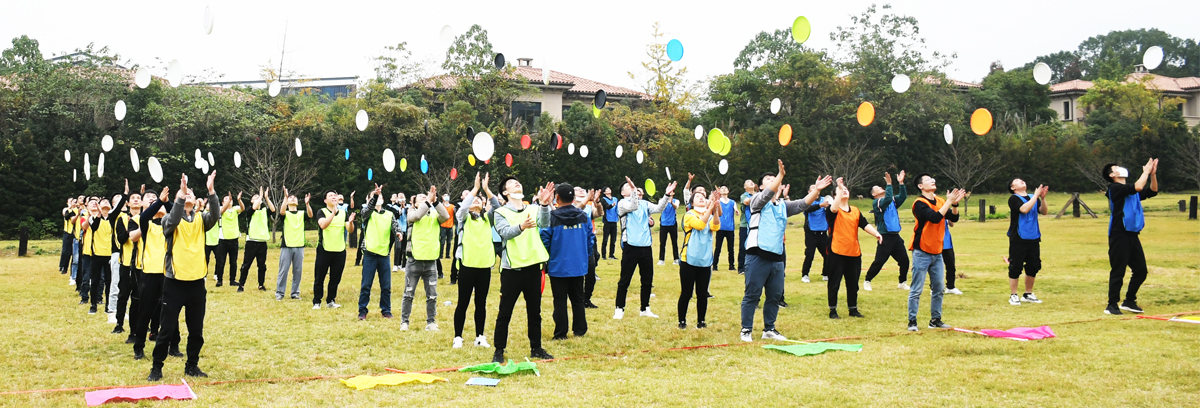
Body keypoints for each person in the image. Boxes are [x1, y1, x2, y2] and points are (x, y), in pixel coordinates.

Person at [741, 161, 830, 342]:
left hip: (777, 257)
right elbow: (767, 194)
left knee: (774, 296)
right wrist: (780, 176)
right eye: (768, 179)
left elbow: (802, 204)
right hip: (757, 255)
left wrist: (816, 191)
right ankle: (746, 330)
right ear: (760, 186)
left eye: (775, 178)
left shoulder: (782, 205)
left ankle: (769, 329)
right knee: (753, 295)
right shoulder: (757, 201)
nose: (773, 180)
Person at [147, 171, 221, 382]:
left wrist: (211, 191)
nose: (188, 195)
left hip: (197, 283)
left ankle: (192, 366)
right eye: (184, 195)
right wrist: (180, 194)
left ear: (196, 201)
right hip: (174, 283)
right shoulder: (169, 221)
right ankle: (157, 367)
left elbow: (215, 215)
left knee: (196, 330)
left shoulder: (201, 219)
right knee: (167, 329)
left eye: (190, 194)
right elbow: (172, 219)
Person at [492, 176, 555, 363]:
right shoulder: (500, 212)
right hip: (513, 270)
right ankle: (499, 350)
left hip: (533, 268)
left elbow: (545, 224)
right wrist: (521, 226)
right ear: (505, 192)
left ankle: (536, 348)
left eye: (518, 181)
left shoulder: (533, 208)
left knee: (534, 312)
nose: (517, 183)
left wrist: (544, 205)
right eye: (512, 183)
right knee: (505, 312)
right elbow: (504, 233)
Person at [906, 173, 965, 331]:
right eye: (927, 180)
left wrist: (954, 205)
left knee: (938, 288)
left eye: (933, 179)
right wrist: (949, 202)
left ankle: (935, 320)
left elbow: (953, 218)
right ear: (920, 186)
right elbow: (934, 217)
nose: (932, 180)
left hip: (937, 250)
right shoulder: (919, 203)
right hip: (922, 250)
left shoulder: (940, 200)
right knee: (917, 288)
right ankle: (912, 321)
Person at [614, 176, 677, 320]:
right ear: (623, 193)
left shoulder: (645, 204)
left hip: (646, 246)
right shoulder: (622, 203)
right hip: (631, 246)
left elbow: (659, 208)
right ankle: (619, 308)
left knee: (647, 280)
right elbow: (633, 206)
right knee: (625, 279)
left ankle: (645, 308)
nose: (634, 190)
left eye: (635, 189)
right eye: (629, 188)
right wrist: (634, 191)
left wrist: (667, 195)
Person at [1103, 159, 1158, 315]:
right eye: (1116, 168)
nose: (1121, 168)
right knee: (1118, 270)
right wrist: (1145, 171)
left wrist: (1152, 175)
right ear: (1112, 175)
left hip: (1132, 235)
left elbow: (1153, 191)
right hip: (1119, 234)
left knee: (1141, 270)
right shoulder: (1114, 188)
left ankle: (1129, 301)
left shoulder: (1130, 190)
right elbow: (1138, 186)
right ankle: (1111, 305)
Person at [541, 183, 595, 341]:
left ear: (557, 197)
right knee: (577, 298)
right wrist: (585, 255)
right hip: (578, 264)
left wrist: (549, 256)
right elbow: (590, 238)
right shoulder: (583, 215)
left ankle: (561, 333)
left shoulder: (553, 216)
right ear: (573, 198)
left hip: (558, 264)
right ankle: (580, 329)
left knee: (560, 300)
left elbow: (545, 238)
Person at [825, 179, 883, 319]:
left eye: (846, 189)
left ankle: (853, 309)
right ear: (835, 195)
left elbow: (864, 224)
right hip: (836, 251)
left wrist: (876, 233)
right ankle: (833, 310)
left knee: (853, 283)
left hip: (853, 251)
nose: (844, 190)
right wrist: (839, 189)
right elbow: (833, 208)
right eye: (841, 190)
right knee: (834, 283)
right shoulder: (832, 209)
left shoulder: (855, 211)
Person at [132, 188, 179, 361]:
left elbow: (176, 210)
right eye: (150, 201)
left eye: (155, 200)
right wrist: (158, 201)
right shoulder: (147, 224)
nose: (154, 203)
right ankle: (139, 347)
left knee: (171, 311)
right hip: (150, 274)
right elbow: (144, 216)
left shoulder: (171, 226)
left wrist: (166, 202)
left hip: (169, 274)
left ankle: (174, 345)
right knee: (145, 312)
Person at [453, 173, 497, 349]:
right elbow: (462, 209)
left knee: (481, 303)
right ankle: (458, 337)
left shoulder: (488, 218)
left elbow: (498, 206)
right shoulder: (463, 219)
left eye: (480, 200)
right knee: (463, 302)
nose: (477, 201)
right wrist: (475, 189)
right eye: (474, 200)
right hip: (467, 265)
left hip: (484, 266)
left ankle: (480, 336)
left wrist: (486, 191)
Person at [402, 185, 450, 331]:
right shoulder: (411, 212)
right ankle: (405, 322)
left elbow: (446, 216)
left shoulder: (435, 215)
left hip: (431, 261)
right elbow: (416, 216)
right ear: (415, 203)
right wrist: (428, 201)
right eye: (421, 198)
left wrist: (435, 202)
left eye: (426, 196)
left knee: (432, 296)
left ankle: (431, 322)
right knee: (409, 293)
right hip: (414, 260)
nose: (424, 198)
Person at [357, 185, 402, 320]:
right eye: (375, 197)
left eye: (380, 196)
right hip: (370, 254)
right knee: (366, 285)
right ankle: (362, 311)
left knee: (386, 286)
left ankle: (386, 310)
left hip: (384, 254)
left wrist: (399, 232)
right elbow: (367, 210)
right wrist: (375, 195)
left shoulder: (389, 214)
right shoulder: (367, 213)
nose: (378, 198)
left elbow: (395, 226)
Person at [678, 190, 721, 329]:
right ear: (692, 202)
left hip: (705, 259)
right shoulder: (689, 215)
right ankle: (682, 321)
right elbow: (699, 225)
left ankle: (701, 321)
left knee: (702, 293)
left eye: (703, 197)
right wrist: (710, 208)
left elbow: (716, 226)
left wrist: (715, 210)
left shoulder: (708, 214)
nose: (701, 198)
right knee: (686, 293)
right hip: (688, 260)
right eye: (697, 197)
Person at [864, 171, 910, 291]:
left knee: (904, 260)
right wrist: (889, 184)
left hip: (896, 236)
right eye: (878, 188)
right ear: (874, 194)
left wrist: (901, 183)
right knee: (879, 261)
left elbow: (903, 196)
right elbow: (888, 198)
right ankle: (867, 280)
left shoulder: (892, 201)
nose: (881, 187)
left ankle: (902, 282)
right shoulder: (877, 202)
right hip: (885, 236)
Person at [1007, 178, 1048, 305]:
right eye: (1018, 181)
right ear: (1013, 188)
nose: (1022, 181)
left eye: (1022, 180)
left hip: (1033, 236)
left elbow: (1044, 212)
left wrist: (1042, 198)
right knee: (1016, 266)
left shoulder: (1032, 197)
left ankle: (1028, 294)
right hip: (1018, 238)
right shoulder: (1013, 198)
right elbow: (1024, 209)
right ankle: (1013, 295)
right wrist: (1035, 196)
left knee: (1033, 266)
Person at [313, 190, 355, 309]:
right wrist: (333, 213)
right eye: (330, 196)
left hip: (339, 250)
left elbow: (350, 230)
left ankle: (331, 300)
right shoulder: (322, 212)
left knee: (335, 277)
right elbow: (323, 225)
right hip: (324, 249)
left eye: (335, 196)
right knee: (319, 277)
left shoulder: (343, 213)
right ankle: (317, 301)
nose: (334, 197)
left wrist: (351, 223)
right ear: (325, 200)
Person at [113, 181, 143, 336]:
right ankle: (119, 323)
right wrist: (132, 227)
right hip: (126, 264)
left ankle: (140, 326)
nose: (136, 199)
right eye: (133, 198)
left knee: (139, 298)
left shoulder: (147, 218)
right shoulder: (122, 219)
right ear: (128, 203)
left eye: (139, 197)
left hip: (142, 265)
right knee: (123, 295)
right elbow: (123, 239)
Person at [275, 188, 312, 301]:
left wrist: (307, 204)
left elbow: (310, 215)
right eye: (290, 197)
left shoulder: (301, 213)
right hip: (287, 246)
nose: (293, 198)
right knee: (283, 271)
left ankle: (295, 293)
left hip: (299, 245)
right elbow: (281, 212)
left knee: (297, 271)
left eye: (294, 197)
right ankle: (280, 293)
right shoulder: (285, 213)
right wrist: (285, 198)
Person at [239, 187, 273, 292]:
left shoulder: (264, 211)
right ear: (251, 201)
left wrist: (266, 198)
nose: (257, 198)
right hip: (251, 242)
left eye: (258, 197)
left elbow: (273, 209)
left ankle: (261, 285)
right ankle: (241, 285)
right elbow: (254, 207)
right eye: (255, 197)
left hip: (262, 242)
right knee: (246, 265)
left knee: (262, 265)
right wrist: (261, 196)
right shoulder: (250, 211)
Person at [800, 193, 831, 283]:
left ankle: (826, 274)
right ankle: (805, 274)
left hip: (823, 233)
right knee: (810, 255)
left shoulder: (825, 199)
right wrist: (820, 205)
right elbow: (807, 209)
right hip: (811, 233)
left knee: (828, 254)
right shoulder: (808, 201)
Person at [214, 192, 243, 287]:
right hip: (223, 239)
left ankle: (232, 280)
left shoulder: (235, 209)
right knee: (221, 261)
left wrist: (239, 200)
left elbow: (242, 208)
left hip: (234, 239)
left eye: (229, 199)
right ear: (222, 202)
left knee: (233, 262)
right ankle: (219, 280)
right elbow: (222, 210)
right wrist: (228, 202)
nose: (228, 200)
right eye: (226, 199)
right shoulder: (221, 209)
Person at [712, 186, 737, 272]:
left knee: (731, 248)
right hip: (720, 227)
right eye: (722, 189)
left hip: (730, 228)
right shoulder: (718, 202)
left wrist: (736, 211)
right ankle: (714, 265)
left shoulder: (732, 202)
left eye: (725, 188)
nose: (724, 190)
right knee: (718, 247)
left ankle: (731, 265)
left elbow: (735, 208)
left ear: (728, 191)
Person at [657, 190, 680, 266]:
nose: (670, 194)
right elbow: (660, 207)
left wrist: (671, 202)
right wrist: (666, 201)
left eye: (672, 193)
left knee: (674, 242)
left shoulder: (676, 201)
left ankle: (676, 259)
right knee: (662, 243)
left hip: (672, 224)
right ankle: (661, 260)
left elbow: (676, 207)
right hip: (663, 224)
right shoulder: (661, 200)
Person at [737, 180, 756, 274]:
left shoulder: (758, 194)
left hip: (756, 224)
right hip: (745, 224)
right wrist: (759, 197)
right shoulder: (744, 195)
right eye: (748, 182)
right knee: (743, 246)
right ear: (745, 187)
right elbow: (746, 202)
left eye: (752, 181)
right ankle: (741, 268)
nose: (751, 182)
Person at [599, 188, 619, 260]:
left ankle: (611, 255)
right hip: (607, 221)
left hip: (614, 221)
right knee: (605, 239)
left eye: (609, 189)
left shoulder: (615, 199)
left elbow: (618, 209)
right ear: (604, 192)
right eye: (607, 190)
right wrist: (612, 205)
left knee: (613, 239)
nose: (609, 190)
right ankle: (603, 255)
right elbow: (606, 206)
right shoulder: (603, 199)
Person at [439, 195, 456, 259]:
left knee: (449, 242)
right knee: (442, 242)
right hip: (443, 226)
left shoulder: (452, 206)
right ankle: (441, 255)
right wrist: (443, 202)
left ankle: (447, 255)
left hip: (450, 226)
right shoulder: (442, 206)